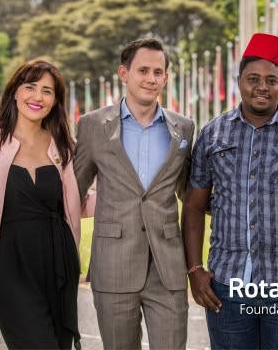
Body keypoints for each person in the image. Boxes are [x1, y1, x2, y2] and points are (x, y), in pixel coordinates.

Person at [182, 33, 278, 349]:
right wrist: (194, 270)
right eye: (253, 79)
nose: (262, 87)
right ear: (239, 81)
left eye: (271, 80)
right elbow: (193, 206)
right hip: (227, 285)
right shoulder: (212, 134)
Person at [73, 37, 195, 349]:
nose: (151, 79)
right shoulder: (92, 126)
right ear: (124, 73)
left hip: (167, 268)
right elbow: (73, 192)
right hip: (113, 265)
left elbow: (190, 194)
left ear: (166, 78)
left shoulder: (184, 129)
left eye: (158, 72)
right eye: (143, 70)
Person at [0, 59, 92, 349]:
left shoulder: (64, 144)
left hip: (59, 260)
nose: (37, 97)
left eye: (47, 91)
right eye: (30, 87)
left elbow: (79, 200)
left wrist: (129, 201)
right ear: (15, 91)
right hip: (7, 264)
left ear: (55, 101)